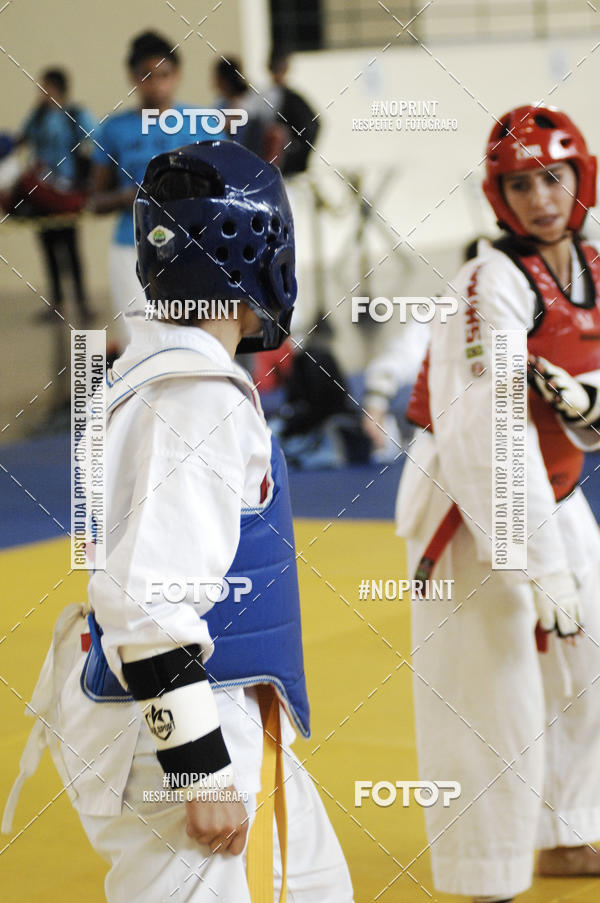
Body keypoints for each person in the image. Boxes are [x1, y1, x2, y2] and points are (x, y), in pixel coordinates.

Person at [3, 140, 354, 902]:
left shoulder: (153, 369)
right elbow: (147, 602)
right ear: (262, 257)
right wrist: (199, 765)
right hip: (180, 720)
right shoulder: (195, 394)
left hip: (208, 701)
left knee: (318, 885)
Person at [396, 105, 600, 902]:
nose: (540, 198)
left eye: (553, 177)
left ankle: (565, 825)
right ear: (499, 195)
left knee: (588, 658)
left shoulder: (590, 263)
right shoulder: (489, 282)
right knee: (494, 686)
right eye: (520, 184)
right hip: (472, 510)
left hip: (554, 489)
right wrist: (538, 564)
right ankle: (482, 868)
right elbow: (487, 437)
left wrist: (587, 399)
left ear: (580, 177)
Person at [89, 31, 221, 348]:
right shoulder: (114, 129)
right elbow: (94, 200)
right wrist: (130, 196)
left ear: (176, 76)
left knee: (195, 339)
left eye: (164, 75)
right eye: (147, 75)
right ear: (133, 78)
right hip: (132, 248)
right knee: (142, 343)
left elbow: (224, 185)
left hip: (193, 244)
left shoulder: (201, 122)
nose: (157, 83)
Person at [16, 67, 96, 322]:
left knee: (71, 248)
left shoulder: (75, 114)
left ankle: (82, 302)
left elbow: (94, 142)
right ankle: (56, 302)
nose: (42, 92)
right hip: (41, 192)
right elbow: (22, 139)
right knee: (48, 248)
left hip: (67, 191)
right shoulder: (37, 117)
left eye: (46, 87)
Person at [266, 50, 320, 177]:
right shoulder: (270, 97)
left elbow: (312, 126)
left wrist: (297, 158)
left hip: (285, 169)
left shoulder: (291, 99)